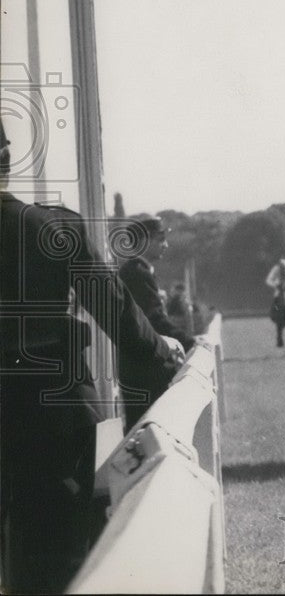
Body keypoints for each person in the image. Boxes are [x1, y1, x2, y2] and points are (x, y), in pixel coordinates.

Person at [0, 123, 185, 593]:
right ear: (6, 158)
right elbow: (114, 306)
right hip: (54, 417)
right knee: (51, 565)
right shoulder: (51, 226)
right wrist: (162, 347)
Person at [118, 214, 197, 430]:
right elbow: (155, 319)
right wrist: (191, 343)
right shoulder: (137, 273)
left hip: (139, 367)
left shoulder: (137, 271)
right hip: (143, 369)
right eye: (160, 239)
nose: (166, 244)